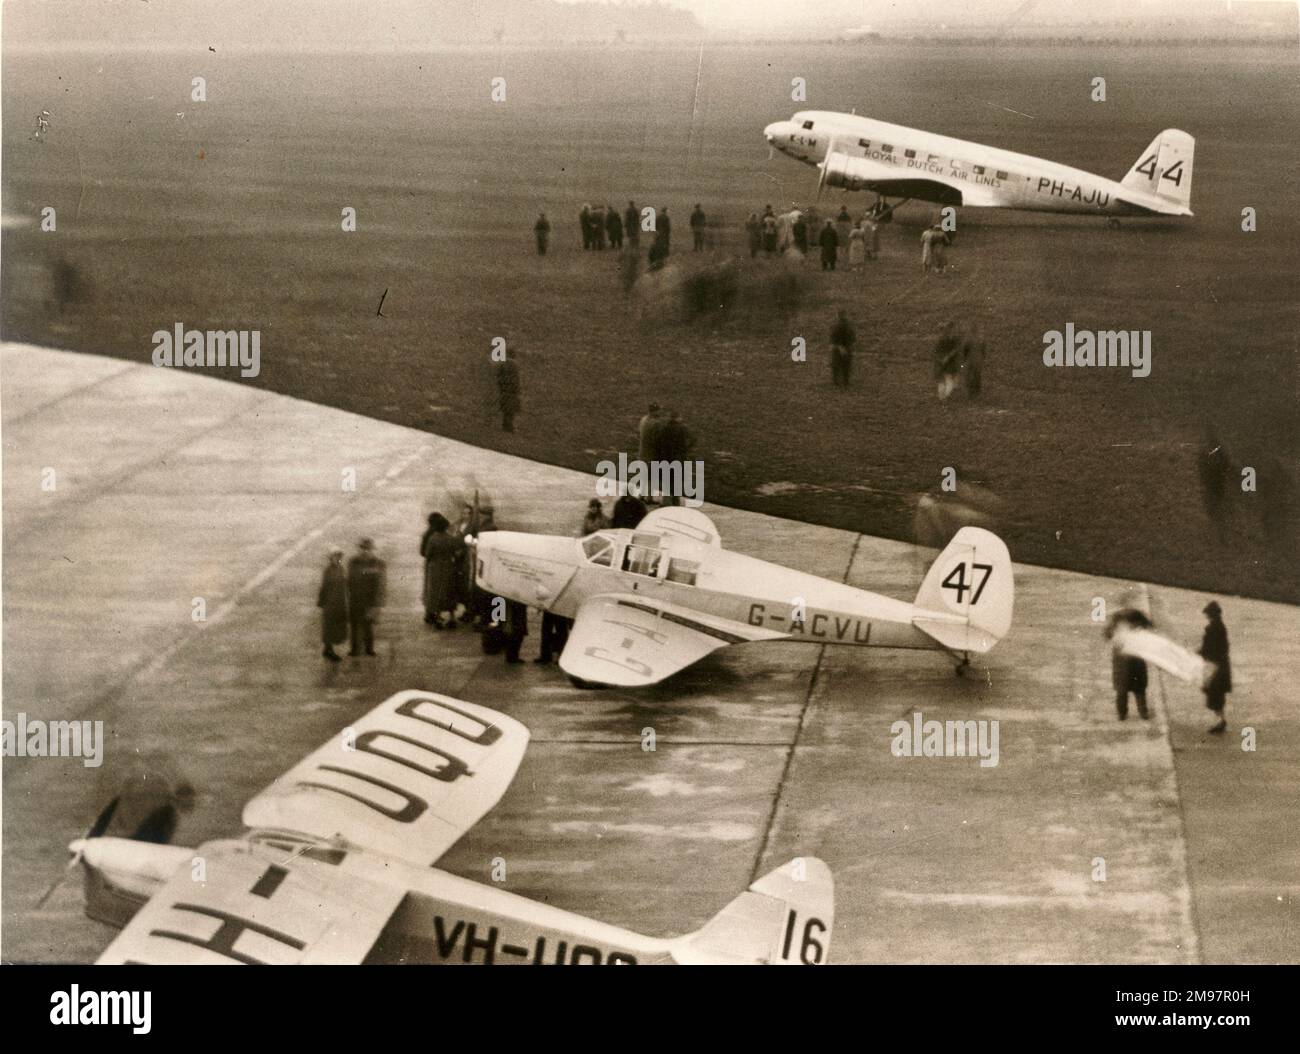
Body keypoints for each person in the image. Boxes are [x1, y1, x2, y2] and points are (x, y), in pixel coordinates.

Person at [1106, 608, 1152, 720]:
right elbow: (1149, 627)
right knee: (1139, 689)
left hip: (1123, 661)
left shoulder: (1117, 618)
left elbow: (1107, 634)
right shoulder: (1138, 617)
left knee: (1122, 690)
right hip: (1134, 660)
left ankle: (1122, 714)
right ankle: (1142, 712)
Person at [420, 513, 463, 629]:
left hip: (435, 569)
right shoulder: (451, 538)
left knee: (437, 593)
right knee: (449, 592)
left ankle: (438, 618)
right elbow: (458, 551)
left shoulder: (433, 539)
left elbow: (428, 554)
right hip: (449, 567)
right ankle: (452, 617)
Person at [347, 538, 386, 657]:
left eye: (367, 549)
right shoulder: (352, 562)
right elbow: (349, 580)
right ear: (359, 549)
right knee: (354, 625)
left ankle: (369, 649)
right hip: (355, 597)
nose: (365, 551)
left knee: (368, 625)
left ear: (371, 550)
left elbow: (381, 584)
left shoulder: (378, 563)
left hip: (370, 599)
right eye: (362, 548)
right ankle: (354, 649)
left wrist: (378, 602)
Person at [1198, 601, 1232, 734]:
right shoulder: (1220, 626)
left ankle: (1219, 721)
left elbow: (1208, 648)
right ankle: (1220, 719)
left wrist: (1199, 652)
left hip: (1214, 667)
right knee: (1217, 695)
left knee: (1214, 695)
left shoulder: (1212, 629)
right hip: (1221, 666)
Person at [1196, 426, 1231, 543]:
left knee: (1215, 511)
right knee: (1217, 511)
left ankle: (1220, 536)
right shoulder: (1220, 451)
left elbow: (1202, 467)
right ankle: (1220, 536)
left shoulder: (1208, 452)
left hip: (1214, 486)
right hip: (1216, 485)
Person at [316, 546, 349, 661]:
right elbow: (324, 587)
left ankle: (328, 649)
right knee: (329, 627)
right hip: (330, 602)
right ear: (331, 558)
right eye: (335, 556)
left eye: (339, 556)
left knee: (336, 627)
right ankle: (328, 650)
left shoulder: (341, 568)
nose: (337, 558)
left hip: (340, 602)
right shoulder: (328, 570)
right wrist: (321, 601)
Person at [933, 322, 963, 400]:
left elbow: (936, 351)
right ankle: (945, 396)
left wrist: (940, 359)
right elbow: (956, 350)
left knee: (942, 379)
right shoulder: (953, 338)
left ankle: (942, 396)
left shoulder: (940, 339)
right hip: (949, 361)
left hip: (940, 361)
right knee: (949, 378)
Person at [496, 350, 521, 432]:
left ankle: (505, 424)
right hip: (512, 390)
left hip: (504, 389)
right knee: (511, 409)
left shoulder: (503, 364)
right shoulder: (515, 365)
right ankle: (509, 426)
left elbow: (499, 376)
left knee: (505, 408)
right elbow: (516, 379)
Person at [830, 309, 855, 388]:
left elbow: (833, 337)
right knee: (846, 366)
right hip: (846, 347)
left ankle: (837, 383)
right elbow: (852, 337)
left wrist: (837, 346)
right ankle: (845, 383)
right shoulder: (848, 325)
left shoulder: (837, 326)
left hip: (838, 348)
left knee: (837, 366)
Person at [962, 322, 986, 399]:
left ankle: (970, 393)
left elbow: (964, 351)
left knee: (970, 376)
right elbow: (983, 351)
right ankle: (977, 393)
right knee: (977, 377)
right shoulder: (981, 339)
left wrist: (963, 362)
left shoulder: (968, 339)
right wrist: (982, 359)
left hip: (970, 360)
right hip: (978, 360)